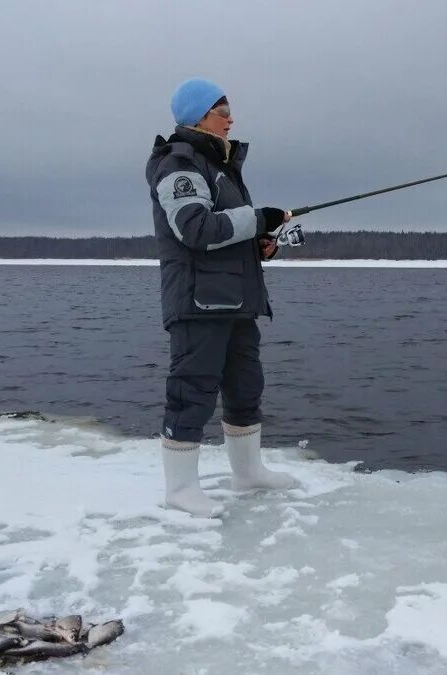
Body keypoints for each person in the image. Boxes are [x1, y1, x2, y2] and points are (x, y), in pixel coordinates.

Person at [145, 77, 297, 517]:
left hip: (236, 302)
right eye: (222, 111)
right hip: (198, 305)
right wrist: (258, 218)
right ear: (198, 117)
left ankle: (248, 474)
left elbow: (227, 232)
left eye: (229, 111)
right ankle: (179, 490)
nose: (231, 119)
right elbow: (195, 230)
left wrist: (260, 242)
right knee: (191, 393)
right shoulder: (178, 165)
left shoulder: (220, 168)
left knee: (246, 388)